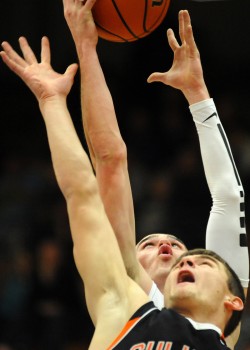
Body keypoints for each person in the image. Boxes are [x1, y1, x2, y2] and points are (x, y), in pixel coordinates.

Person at [0, 17, 246, 349]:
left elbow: (229, 199)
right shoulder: (120, 302)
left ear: (233, 301)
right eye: (146, 244)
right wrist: (55, 98)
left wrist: (198, 94)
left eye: (197, 258)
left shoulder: (222, 329)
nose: (173, 252)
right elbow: (96, 177)